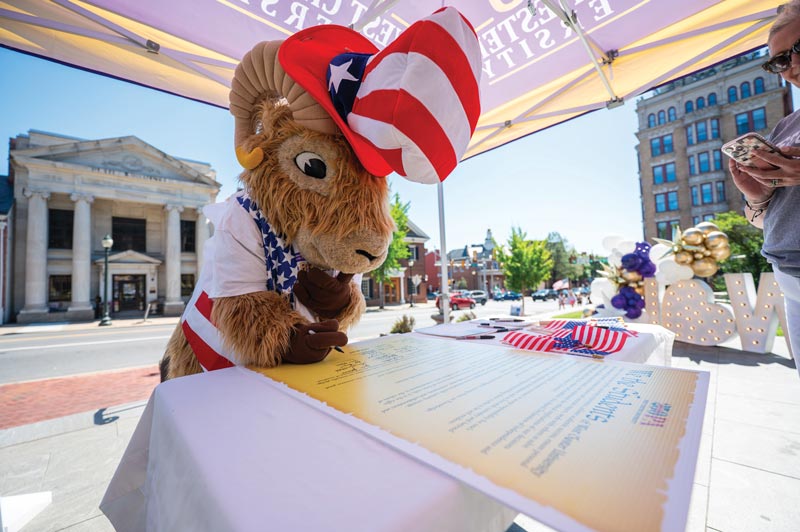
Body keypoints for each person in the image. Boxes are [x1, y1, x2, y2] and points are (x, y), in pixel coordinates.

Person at [729, 1, 800, 377]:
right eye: (780, 61)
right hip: (790, 278)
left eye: (798, 48)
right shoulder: (786, 127)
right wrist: (755, 195)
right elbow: (763, 220)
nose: (792, 65)